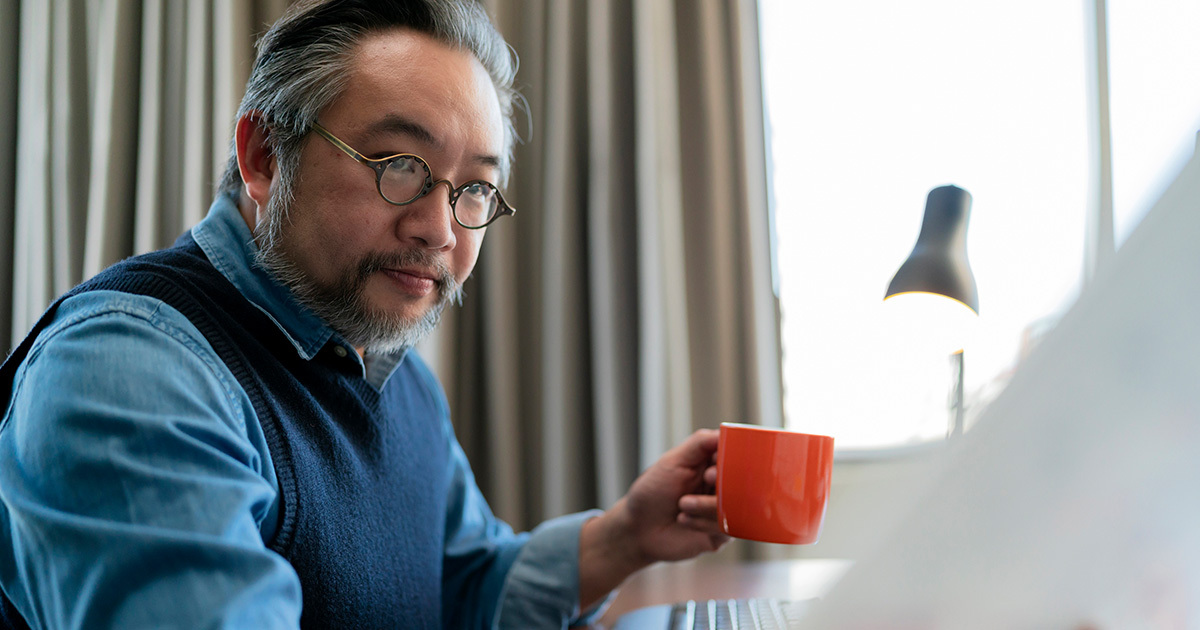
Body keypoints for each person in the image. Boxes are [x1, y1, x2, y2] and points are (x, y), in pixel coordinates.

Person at [0, 1, 728, 628]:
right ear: (264, 156)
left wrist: (625, 537)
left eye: (474, 190)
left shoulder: (391, 375)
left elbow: (457, 587)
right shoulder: (126, 372)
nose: (441, 230)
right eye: (398, 166)